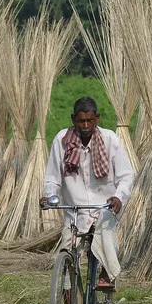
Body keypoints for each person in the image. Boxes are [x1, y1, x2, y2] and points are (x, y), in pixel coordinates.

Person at [41, 96, 135, 289]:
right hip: (75, 209)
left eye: (89, 120)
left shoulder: (110, 140)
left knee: (106, 229)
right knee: (67, 253)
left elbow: (126, 176)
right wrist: (49, 196)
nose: (85, 125)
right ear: (73, 119)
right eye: (81, 120)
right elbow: (52, 177)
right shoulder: (62, 141)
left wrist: (119, 196)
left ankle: (107, 274)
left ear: (97, 119)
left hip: (104, 206)